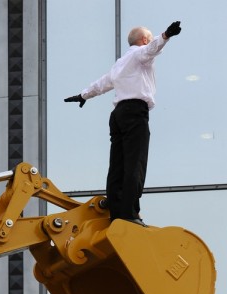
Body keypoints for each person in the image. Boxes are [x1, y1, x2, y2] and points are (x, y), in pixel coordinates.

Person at [64, 21, 182, 226]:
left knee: (117, 165)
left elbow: (102, 83)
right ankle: (129, 213)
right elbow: (152, 49)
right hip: (135, 112)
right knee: (135, 162)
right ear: (144, 40)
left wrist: (83, 95)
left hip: (118, 115)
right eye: (149, 38)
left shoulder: (120, 63)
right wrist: (165, 36)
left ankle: (116, 212)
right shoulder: (140, 54)